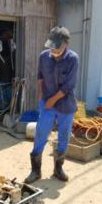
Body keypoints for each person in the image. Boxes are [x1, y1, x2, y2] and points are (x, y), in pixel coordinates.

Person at [25, 26, 79, 184]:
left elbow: (69, 86)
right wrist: (42, 98)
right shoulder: (43, 56)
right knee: (40, 134)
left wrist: (52, 100)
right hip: (47, 103)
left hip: (66, 105)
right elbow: (40, 77)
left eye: (57, 48)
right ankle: (35, 171)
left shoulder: (73, 59)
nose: (53, 51)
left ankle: (58, 169)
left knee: (64, 136)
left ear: (65, 45)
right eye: (51, 47)